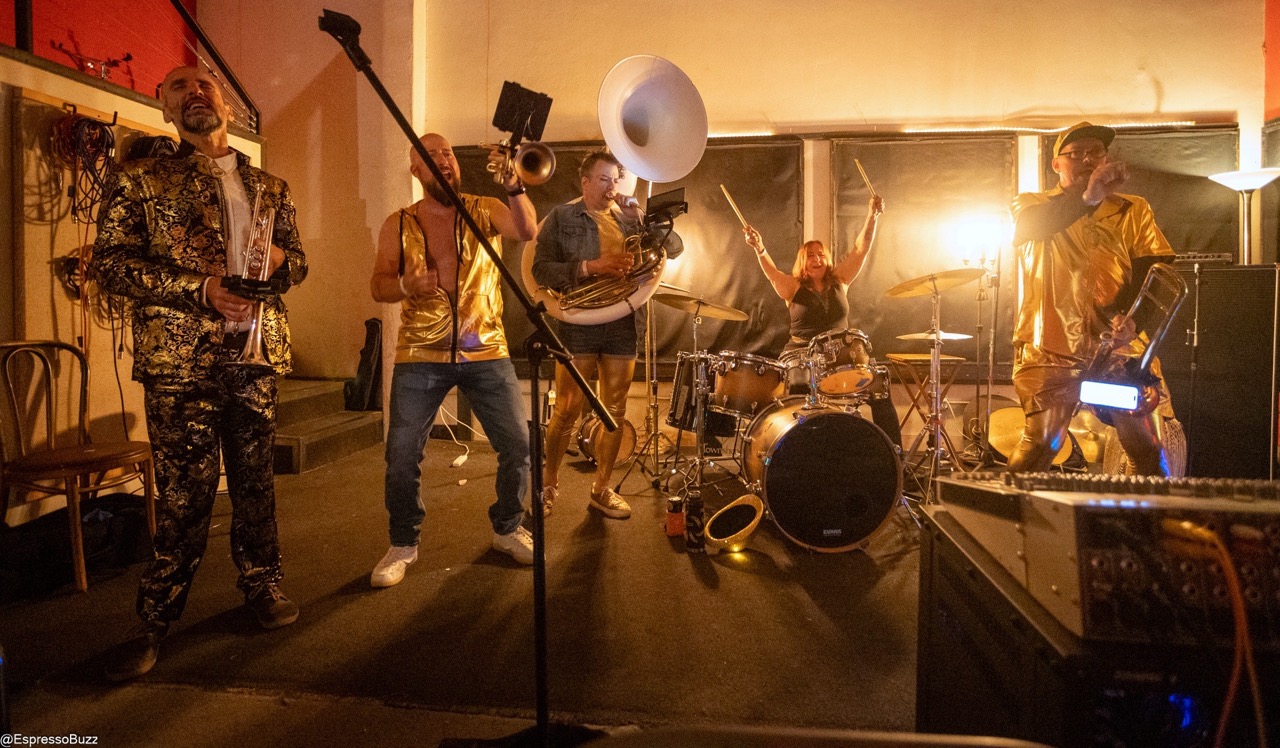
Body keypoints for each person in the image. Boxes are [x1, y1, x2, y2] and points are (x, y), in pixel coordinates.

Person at [93, 66, 308, 681]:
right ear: (165, 109)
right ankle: (155, 620)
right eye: (178, 87)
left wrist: (282, 260)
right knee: (184, 497)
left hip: (255, 356)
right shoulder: (140, 178)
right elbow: (111, 264)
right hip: (179, 361)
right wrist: (201, 289)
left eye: (205, 84)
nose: (194, 92)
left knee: (255, 485)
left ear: (229, 107)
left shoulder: (270, 186)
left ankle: (262, 585)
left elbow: (298, 265)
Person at [368, 133, 538, 587]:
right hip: (419, 353)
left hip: (486, 348)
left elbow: (527, 230)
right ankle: (403, 542)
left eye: (448, 153)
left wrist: (514, 184)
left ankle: (507, 527)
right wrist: (405, 286)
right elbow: (378, 285)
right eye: (431, 155)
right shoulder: (398, 223)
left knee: (518, 445)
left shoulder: (485, 208)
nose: (443, 159)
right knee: (401, 455)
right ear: (415, 170)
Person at [1006, 121, 1177, 475]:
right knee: (1041, 445)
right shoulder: (1032, 205)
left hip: (1118, 352)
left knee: (1148, 451)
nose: (1087, 159)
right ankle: (1010, 508)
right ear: (1056, 164)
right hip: (1050, 351)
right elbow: (1033, 226)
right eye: (1076, 153)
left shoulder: (1133, 209)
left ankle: (1143, 511)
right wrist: (1089, 197)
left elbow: (1155, 272)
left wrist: (1134, 320)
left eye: (1095, 152)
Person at [532, 151, 683, 519]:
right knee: (567, 410)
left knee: (615, 410)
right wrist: (591, 267)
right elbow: (539, 270)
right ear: (585, 183)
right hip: (578, 321)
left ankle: (601, 489)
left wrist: (643, 220)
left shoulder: (630, 219)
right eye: (603, 179)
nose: (612, 187)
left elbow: (674, 249)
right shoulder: (562, 217)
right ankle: (547, 485)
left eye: (615, 179)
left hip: (622, 323)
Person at [743, 196, 903, 449]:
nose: (817, 259)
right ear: (803, 261)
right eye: (810, 256)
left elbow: (861, 249)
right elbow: (772, 273)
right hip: (800, 354)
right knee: (797, 386)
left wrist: (872, 216)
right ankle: (801, 448)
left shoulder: (840, 280)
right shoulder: (793, 287)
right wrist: (759, 248)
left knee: (880, 385)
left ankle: (895, 454)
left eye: (821, 255)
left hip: (841, 357)